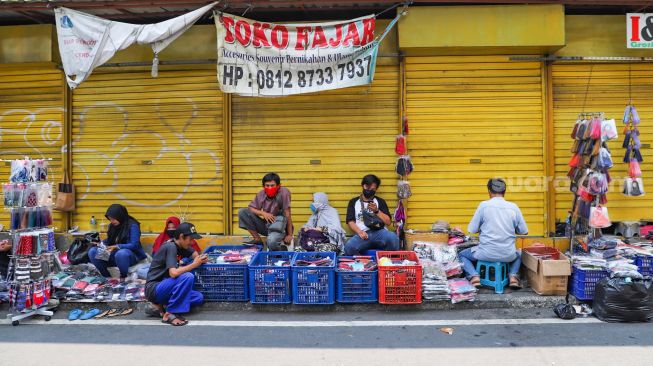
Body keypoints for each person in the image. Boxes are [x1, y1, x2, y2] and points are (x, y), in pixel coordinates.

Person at [459, 178, 528, 288]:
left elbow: (472, 230)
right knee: (520, 253)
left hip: (485, 254)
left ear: (489, 192)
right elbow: (524, 231)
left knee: (462, 255)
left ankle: (474, 276)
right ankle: (513, 277)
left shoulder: (484, 206)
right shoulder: (513, 207)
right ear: (504, 192)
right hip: (508, 255)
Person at [145, 222, 207, 326]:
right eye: (190, 239)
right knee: (188, 276)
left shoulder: (182, 246)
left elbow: (196, 255)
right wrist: (194, 264)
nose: (192, 242)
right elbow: (173, 273)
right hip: (154, 288)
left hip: (166, 287)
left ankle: (158, 307)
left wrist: (201, 259)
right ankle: (170, 313)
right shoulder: (170, 246)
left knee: (198, 297)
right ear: (182, 237)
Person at [343, 174, 400, 255]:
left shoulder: (380, 201)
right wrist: (359, 232)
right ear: (363, 185)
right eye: (367, 187)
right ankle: (364, 263)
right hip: (363, 233)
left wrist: (377, 211)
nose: (369, 190)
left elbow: (388, 222)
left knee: (393, 238)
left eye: (372, 189)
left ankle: (387, 260)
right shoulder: (353, 202)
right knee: (349, 247)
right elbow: (350, 221)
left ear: (376, 189)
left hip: (379, 232)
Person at [88, 204, 146, 281]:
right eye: (110, 219)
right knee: (93, 251)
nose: (112, 221)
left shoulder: (132, 226)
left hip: (130, 256)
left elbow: (134, 245)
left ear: (120, 216)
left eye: (113, 219)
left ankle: (123, 276)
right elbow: (110, 240)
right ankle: (107, 277)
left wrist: (117, 246)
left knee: (121, 253)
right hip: (114, 254)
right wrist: (100, 243)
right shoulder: (112, 226)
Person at [238, 172, 293, 251]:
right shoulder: (261, 194)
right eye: (267, 185)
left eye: (272, 185)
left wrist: (289, 234)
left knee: (271, 241)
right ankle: (257, 239)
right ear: (263, 186)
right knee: (242, 212)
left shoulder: (284, 192)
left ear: (278, 185)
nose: (270, 188)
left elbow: (288, 214)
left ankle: (281, 251)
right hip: (266, 226)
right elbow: (251, 208)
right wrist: (263, 213)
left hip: (280, 228)